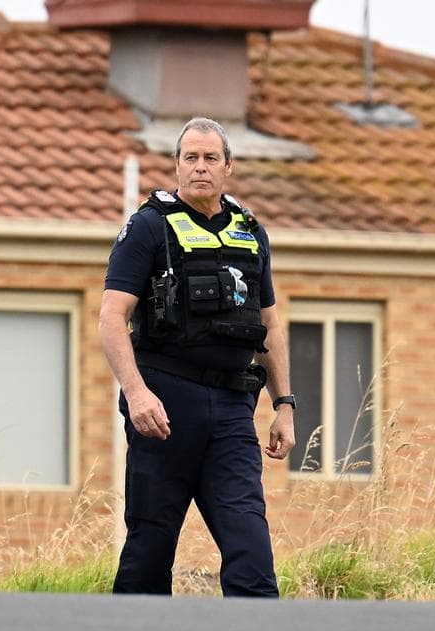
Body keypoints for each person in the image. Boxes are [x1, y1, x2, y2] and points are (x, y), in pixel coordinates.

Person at [99, 117, 295, 597]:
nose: (200, 167)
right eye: (191, 158)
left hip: (231, 409)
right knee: (150, 548)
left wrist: (285, 405)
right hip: (164, 405)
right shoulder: (150, 227)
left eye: (210, 158)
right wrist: (136, 392)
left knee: (251, 548)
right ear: (178, 165)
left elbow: (269, 325)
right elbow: (110, 318)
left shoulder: (251, 232)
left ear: (228, 166)